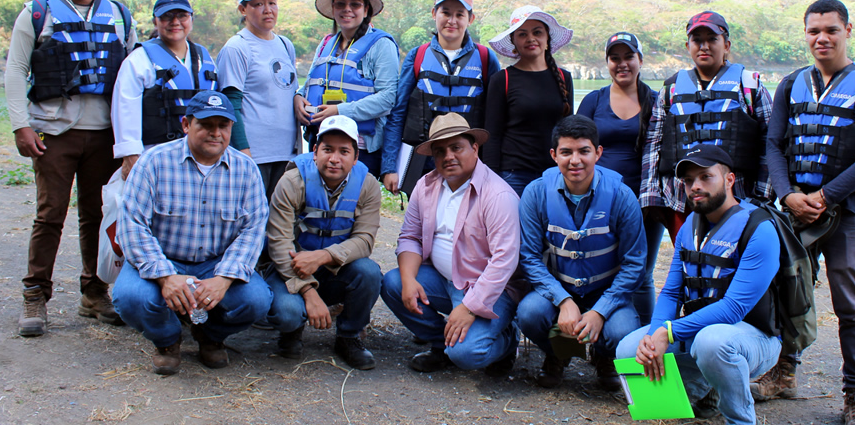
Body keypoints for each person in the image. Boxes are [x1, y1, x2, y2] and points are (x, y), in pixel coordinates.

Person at [761, 0, 855, 425]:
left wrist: (826, 197)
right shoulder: (790, 85)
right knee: (790, 291)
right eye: (813, 30)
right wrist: (787, 195)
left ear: (848, 31)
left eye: (831, 30)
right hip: (796, 213)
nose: (822, 38)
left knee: (849, 305)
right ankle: (785, 371)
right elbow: (773, 146)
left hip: (845, 214)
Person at [3, 0, 137, 337]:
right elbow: (15, 70)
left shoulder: (118, 16)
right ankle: (35, 294)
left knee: (98, 215)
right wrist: (20, 125)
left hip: (103, 133)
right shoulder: (38, 12)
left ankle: (94, 293)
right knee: (50, 214)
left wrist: (131, 139)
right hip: (54, 129)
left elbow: (131, 78)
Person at [617, 144, 781, 425]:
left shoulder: (759, 229)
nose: (695, 186)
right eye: (689, 180)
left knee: (711, 343)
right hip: (702, 333)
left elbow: (732, 310)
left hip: (755, 339)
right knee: (629, 349)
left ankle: (740, 419)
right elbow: (670, 292)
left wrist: (668, 333)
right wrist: (656, 333)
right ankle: (686, 401)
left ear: (729, 181)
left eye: (706, 177)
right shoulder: (689, 225)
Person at [112, 90, 272, 375]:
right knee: (130, 298)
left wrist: (223, 280)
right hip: (164, 259)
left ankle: (209, 335)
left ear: (231, 128)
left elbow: (252, 231)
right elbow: (132, 226)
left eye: (223, 126)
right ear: (186, 124)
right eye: (206, 125)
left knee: (257, 301)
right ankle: (167, 339)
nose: (215, 133)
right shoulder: (153, 162)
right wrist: (165, 276)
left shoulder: (246, 170)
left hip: (215, 264)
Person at [380, 113, 525, 376]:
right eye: (440, 151)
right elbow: (410, 236)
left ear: (475, 148)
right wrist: (409, 279)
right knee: (394, 284)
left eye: (456, 147)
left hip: (488, 289)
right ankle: (440, 344)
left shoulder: (498, 195)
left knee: (467, 354)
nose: (448, 156)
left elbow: (504, 261)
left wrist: (470, 307)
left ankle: (507, 340)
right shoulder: (426, 185)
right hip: (442, 279)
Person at [517, 115, 645, 391]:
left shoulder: (622, 196)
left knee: (622, 331)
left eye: (584, 151)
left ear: (598, 153)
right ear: (553, 155)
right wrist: (562, 299)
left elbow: (635, 264)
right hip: (558, 288)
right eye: (566, 152)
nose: (575, 160)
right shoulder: (535, 193)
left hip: (607, 291)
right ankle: (558, 354)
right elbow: (528, 256)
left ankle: (605, 356)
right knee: (529, 313)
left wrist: (601, 310)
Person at [640, 11, 773, 243]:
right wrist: (650, 195)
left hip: (739, 198)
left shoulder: (749, 86)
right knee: (690, 263)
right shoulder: (670, 90)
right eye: (697, 40)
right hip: (681, 199)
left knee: (730, 263)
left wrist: (763, 197)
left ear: (727, 44)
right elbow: (654, 142)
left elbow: (770, 141)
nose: (704, 46)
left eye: (712, 39)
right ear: (688, 45)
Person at [264, 115, 382, 370]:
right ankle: (292, 330)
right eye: (327, 149)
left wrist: (323, 256)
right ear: (315, 151)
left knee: (369, 273)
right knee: (286, 311)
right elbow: (279, 242)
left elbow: (365, 241)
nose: (334, 159)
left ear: (356, 157)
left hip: (335, 268)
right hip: (292, 267)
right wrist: (307, 291)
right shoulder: (292, 182)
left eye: (344, 151)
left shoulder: (369, 185)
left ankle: (349, 337)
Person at [381, 0, 501, 196]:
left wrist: (493, 167)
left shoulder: (485, 58)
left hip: (469, 165)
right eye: (445, 12)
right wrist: (390, 167)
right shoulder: (417, 56)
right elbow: (398, 112)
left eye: (459, 14)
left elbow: (496, 118)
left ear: (470, 19)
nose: (451, 21)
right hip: (423, 163)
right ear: (434, 13)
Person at [575, 32, 662, 321]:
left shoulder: (657, 101)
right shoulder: (594, 101)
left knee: (641, 274)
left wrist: (653, 201)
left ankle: (643, 348)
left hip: (645, 203)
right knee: (600, 270)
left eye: (628, 57)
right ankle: (603, 341)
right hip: (600, 200)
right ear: (607, 63)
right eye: (615, 58)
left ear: (640, 59)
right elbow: (578, 148)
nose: (622, 64)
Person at [296, 0, 399, 176]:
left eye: (355, 4)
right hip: (323, 144)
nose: (347, 9)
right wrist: (297, 97)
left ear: (366, 10)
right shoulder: (326, 43)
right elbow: (309, 83)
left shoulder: (382, 45)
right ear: (333, 9)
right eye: (340, 4)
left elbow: (388, 99)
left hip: (360, 148)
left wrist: (340, 110)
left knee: (355, 204)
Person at [112, 0, 217, 178]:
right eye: (167, 16)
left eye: (182, 16)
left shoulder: (204, 58)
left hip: (203, 155)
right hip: (156, 154)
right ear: (155, 21)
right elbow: (125, 108)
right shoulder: (140, 60)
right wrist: (130, 156)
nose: (175, 22)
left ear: (191, 19)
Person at [216, 0, 299, 198]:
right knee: (251, 221)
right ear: (243, 10)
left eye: (272, 2)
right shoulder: (237, 47)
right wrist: (244, 153)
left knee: (279, 224)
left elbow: (291, 91)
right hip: (255, 155)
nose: (267, 10)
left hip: (286, 154)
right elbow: (231, 105)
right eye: (258, 4)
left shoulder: (285, 45)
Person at [483, 6, 574, 196]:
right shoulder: (502, 79)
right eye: (522, 34)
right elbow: (492, 135)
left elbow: (568, 130)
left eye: (537, 32)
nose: (531, 38)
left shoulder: (564, 78)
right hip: (513, 176)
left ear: (547, 38)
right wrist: (491, 181)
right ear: (514, 42)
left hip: (555, 174)